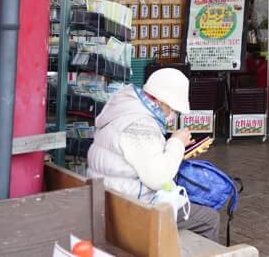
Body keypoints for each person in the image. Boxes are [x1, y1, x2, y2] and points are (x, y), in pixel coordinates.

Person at [87, 68, 220, 241]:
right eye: (172, 108)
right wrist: (177, 143)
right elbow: (159, 179)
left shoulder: (126, 108)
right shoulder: (140, 124)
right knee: (209, 219)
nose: (171, 113)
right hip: (133, 208)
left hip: (113, 199)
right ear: (163, 101)